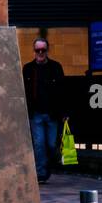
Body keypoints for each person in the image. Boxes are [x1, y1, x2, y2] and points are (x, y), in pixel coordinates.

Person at [23, 37, 67, 184]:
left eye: (43, 50)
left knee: (52, 144)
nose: (40, 53)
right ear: (34, 51)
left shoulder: (56, 67)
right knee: (39, 143)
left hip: (52, 114)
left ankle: (46, 167)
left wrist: (64, 113)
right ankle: (41, 172)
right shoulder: (28, 69)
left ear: (47, 50)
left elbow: (63, 91)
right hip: (36, 114)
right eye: (38, 50)